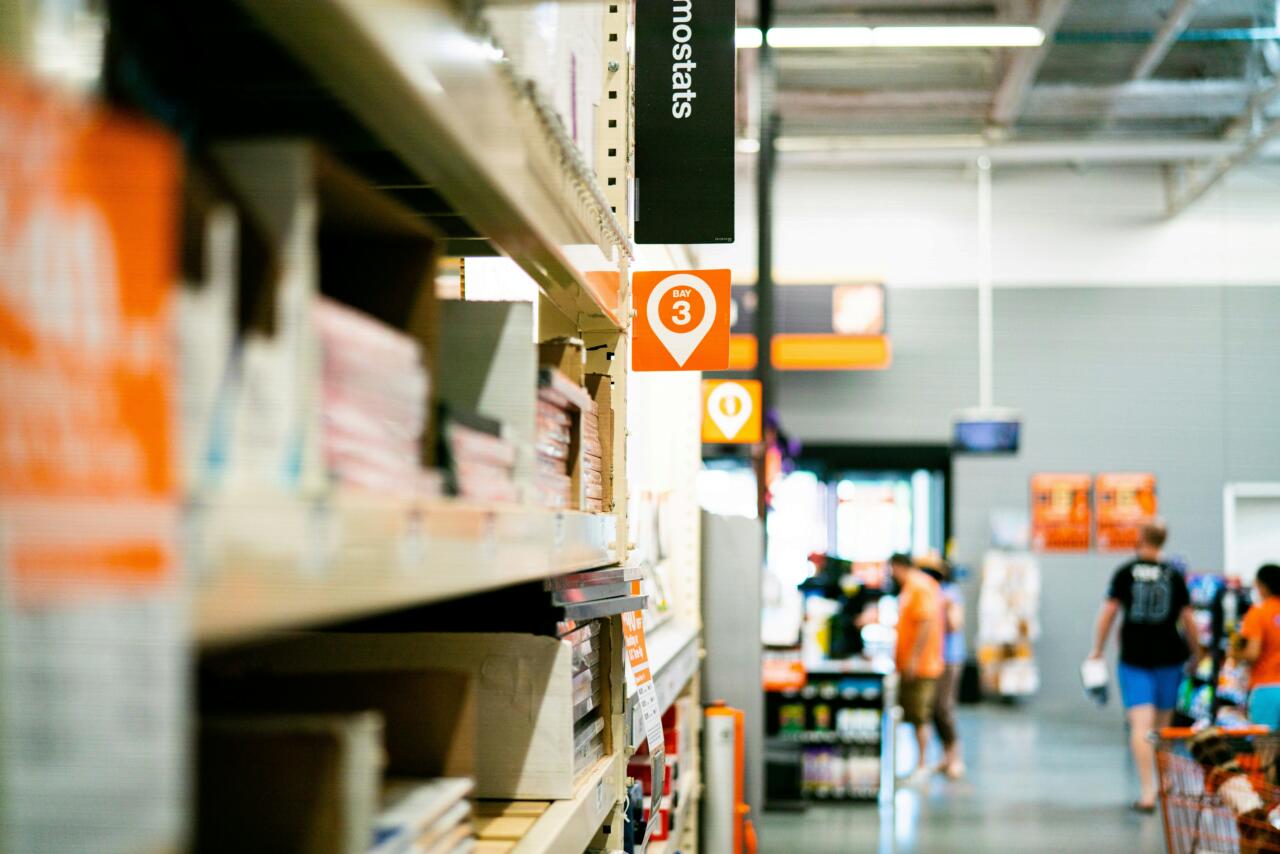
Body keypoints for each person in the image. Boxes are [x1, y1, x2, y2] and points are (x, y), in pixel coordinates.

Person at [1088, 520, 1204, 814]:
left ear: (1140, 538)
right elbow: (1188, 619)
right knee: (1163, 727)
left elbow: (1109, 613)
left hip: (1135, 659)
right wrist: (1198, 653)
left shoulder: (1126, 573)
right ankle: (1166, 785)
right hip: (1170, 657)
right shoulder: (1174, 575)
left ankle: (1147, 792)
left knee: (1141, 725)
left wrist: (1097, 649)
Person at [891, 552, 945, 784]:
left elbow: (925, 622)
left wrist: (914, 657)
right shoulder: (913, 586)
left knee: (920, 715)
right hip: (913, 663)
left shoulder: (919, 586)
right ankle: (920, 763)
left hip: (922, 666)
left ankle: (922, 764)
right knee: (915, 715)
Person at [919, 555, 966, 779]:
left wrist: (946, 608)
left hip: (949, 658)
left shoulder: (950, 593)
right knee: (932, 710)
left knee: (944, 708)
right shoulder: (926, 592)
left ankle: (955, 758)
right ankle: (945, 758)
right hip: (931, 658)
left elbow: (955, 625)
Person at [1239, 563, 1280, 728]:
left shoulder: (1258, 612)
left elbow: (1253, 653)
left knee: (1265, 749)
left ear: (1263, 586)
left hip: (1265, 686)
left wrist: (1235, 654)